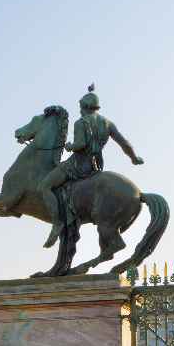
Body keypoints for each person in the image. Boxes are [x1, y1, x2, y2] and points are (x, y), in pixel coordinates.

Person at [39, 85, 145, 248]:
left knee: (45, 185)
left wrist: (69, 146)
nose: (80, 110)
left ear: (85, 107)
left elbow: (80, 144)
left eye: (81, 107)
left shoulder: (81, 122)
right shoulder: (107, 123)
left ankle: (58, 222)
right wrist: (134, 158)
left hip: (77, 165)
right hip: (95, 166)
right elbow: (124, 143)